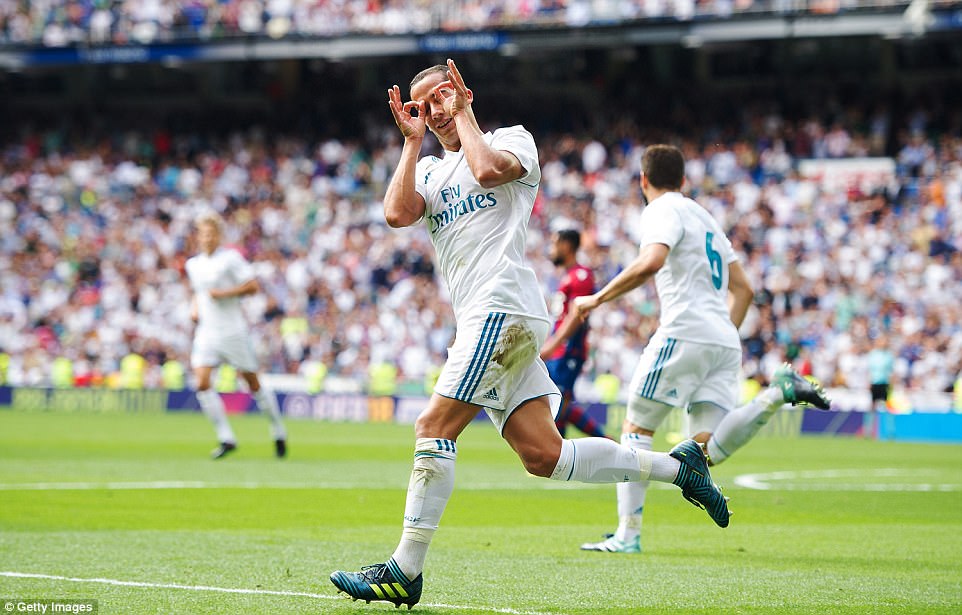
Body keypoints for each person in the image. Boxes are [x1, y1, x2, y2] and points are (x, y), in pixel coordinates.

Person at [329, 60, 730, 610]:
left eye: (442, 96)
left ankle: (405, 569)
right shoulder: (428, 171)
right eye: (423, 105)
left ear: (465, 92)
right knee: (545, 456)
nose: (434, 110)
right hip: (485, 318)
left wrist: (461, 114)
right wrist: (411, 142)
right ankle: (679, 468)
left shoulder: (511, 140)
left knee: (432, 426)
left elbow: (489, 171)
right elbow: (397, 214)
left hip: (502, 308)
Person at [572, 144, 831, 554]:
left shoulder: (661, 209)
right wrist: (719, 334)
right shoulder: (705, 217)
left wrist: (597, 298)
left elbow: (652, 261)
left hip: (685, 330)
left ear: (643, 180)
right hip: (723, 339)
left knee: (636, 430)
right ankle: (776, 394)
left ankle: (628, 534)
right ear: (683, 180)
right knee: (703, 449)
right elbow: (745, 289)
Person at [185, 212, 288, 460]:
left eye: (211, 234)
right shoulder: (193, 264)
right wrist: (195, 308)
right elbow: (199, 292)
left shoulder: (230, 259)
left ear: (218, 235)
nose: (207, 238)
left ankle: (278, 430)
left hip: (232, 331)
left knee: (252, 382)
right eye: (203, 234)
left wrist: (224, 294)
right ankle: (226, 438)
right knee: (201, 383)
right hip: (206, 331)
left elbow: (252, 286)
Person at [540, 229, 609, 439]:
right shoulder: (567, 276)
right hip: (560, 350)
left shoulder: (581, 276)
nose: (551, 250)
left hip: (569, 350)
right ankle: (606, 443)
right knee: (559, 404)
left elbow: (576, 316)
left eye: (554, 244)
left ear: (566, 245)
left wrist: (552, 345)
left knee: (558, 404)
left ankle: (605, 444)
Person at [865, 334, 895, 439]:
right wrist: (868, 382)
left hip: (885, 383)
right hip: (875, 382)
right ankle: (868, 431)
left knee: (888, 407)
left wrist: (892, 384)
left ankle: (890, 431)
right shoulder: (873, 354)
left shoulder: (889, 355)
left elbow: (891, 371)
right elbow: (869, 370)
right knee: (872, 407)